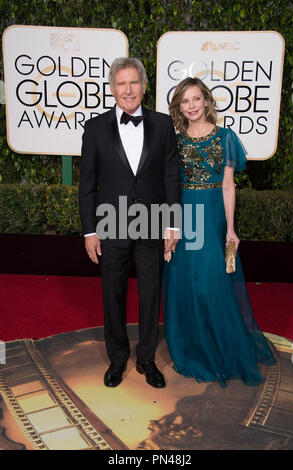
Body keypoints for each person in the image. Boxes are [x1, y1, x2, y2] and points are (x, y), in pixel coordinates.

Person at [163, 77, 275, 388]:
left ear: (207, 101)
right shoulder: (175, 140)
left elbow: (228, 185)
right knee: (186, 283)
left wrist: (231, 229)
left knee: (212, 284)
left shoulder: (225, 137)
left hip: (211, 214)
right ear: (179, 107)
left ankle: (222, 348)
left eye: (196, 99)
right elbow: (168, 186)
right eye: (185, 101)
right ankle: (194, 348)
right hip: (184, 213)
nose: (192, 106)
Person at [79, 58, 181, 388]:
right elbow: (87, 184)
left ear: (144, 86)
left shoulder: (164, 125)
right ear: (112, 89)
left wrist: (173, 224)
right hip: (111, 224)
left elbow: (170, 178)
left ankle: (147, 360)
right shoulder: (95, 129)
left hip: (152, 223)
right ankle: (118, 358)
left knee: (151, 294)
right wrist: (90, 230)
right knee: (113, 294)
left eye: (134, 83)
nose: (128, 90)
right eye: (121, 84)